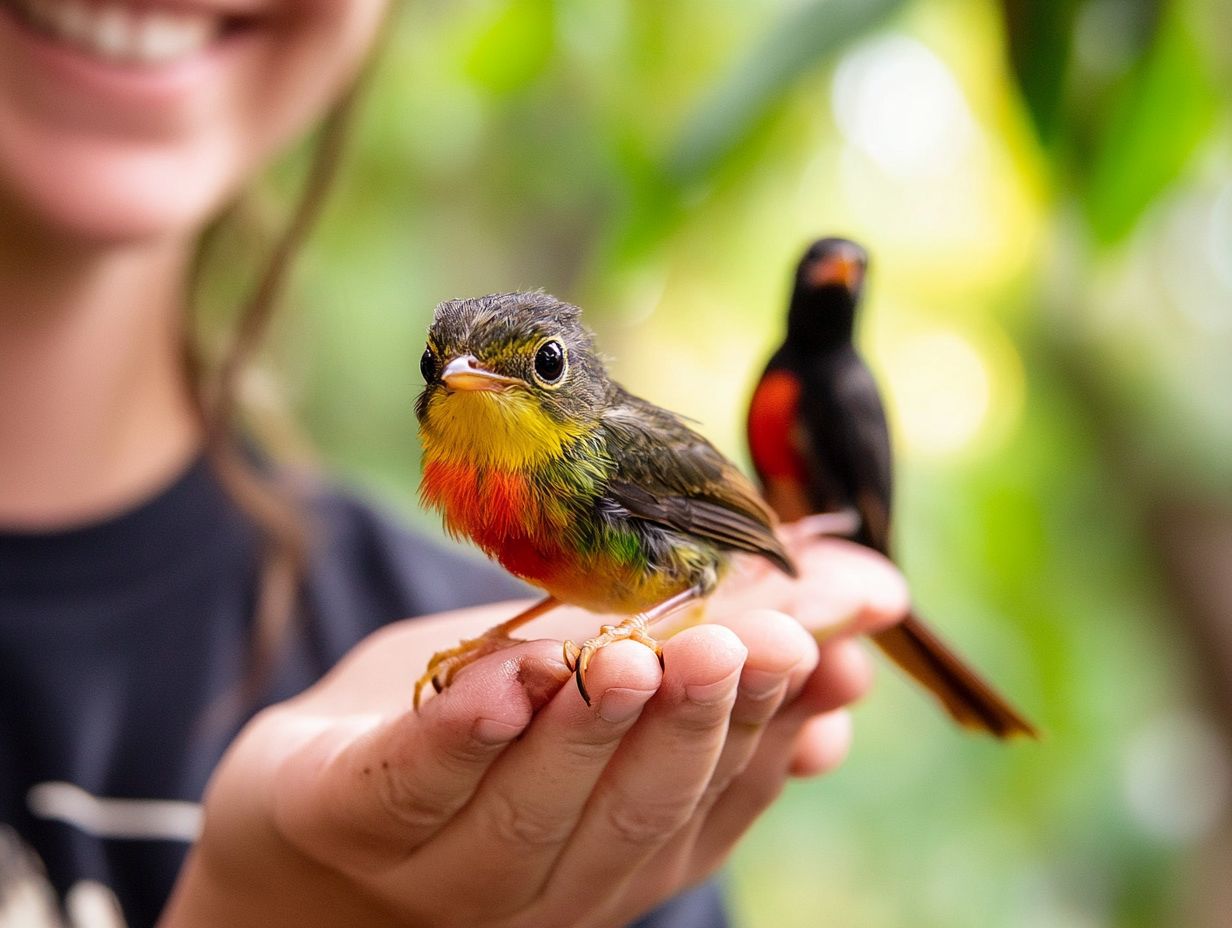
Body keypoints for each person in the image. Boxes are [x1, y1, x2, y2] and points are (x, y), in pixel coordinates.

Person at [0, 2, 909, 927]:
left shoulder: (611, 451)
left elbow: (706, 558)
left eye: (540, 367)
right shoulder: (463, 497)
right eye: (448, 368)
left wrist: (652, 624)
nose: (473, 380)